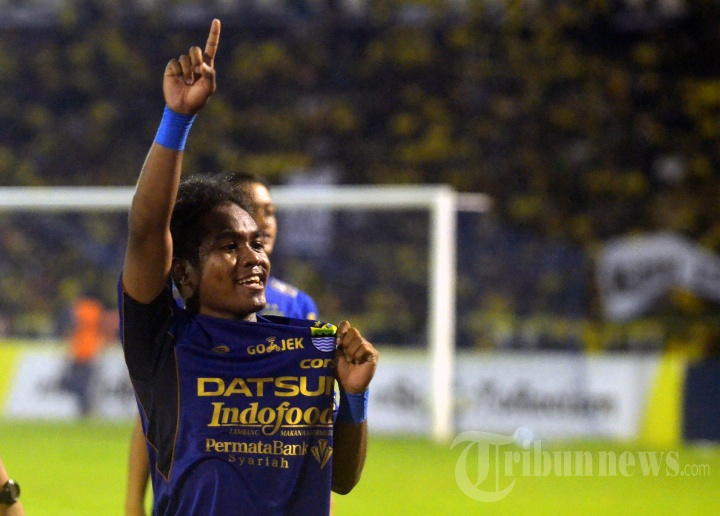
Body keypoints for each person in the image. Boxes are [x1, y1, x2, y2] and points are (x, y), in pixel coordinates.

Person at [120, 18, 377, 515]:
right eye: (228, 245)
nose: (253, 256)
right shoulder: (165, 344)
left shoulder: (307, 346)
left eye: (256, 242)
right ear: (184, 273)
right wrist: (177, 120)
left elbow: (342, 480)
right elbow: (148, 231)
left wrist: (354, 397)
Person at [124, 172, 322, 514]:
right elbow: (152, 415)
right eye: (254, 209)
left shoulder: (298, 307)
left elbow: (317, 435)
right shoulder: (181, 318)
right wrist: (133, 501)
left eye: (270, 212)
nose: (265, 221)